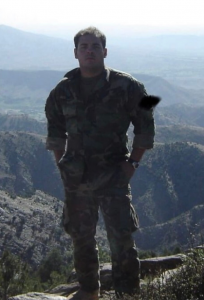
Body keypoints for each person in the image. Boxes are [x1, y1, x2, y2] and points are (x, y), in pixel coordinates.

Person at [45, 26, 156, 300]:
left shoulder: (127, 87)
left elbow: (145, 127)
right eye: (84, 47)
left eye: (95, 46)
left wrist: (133, 164)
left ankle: (127, 293)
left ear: (104, 51)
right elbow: (55, 135)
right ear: (75, 53)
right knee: (81, 239)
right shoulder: (62, 91)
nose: (89, 51)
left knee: (121, 239)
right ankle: (88, 290)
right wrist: (63, 167)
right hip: (77, 179)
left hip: (114, 175)